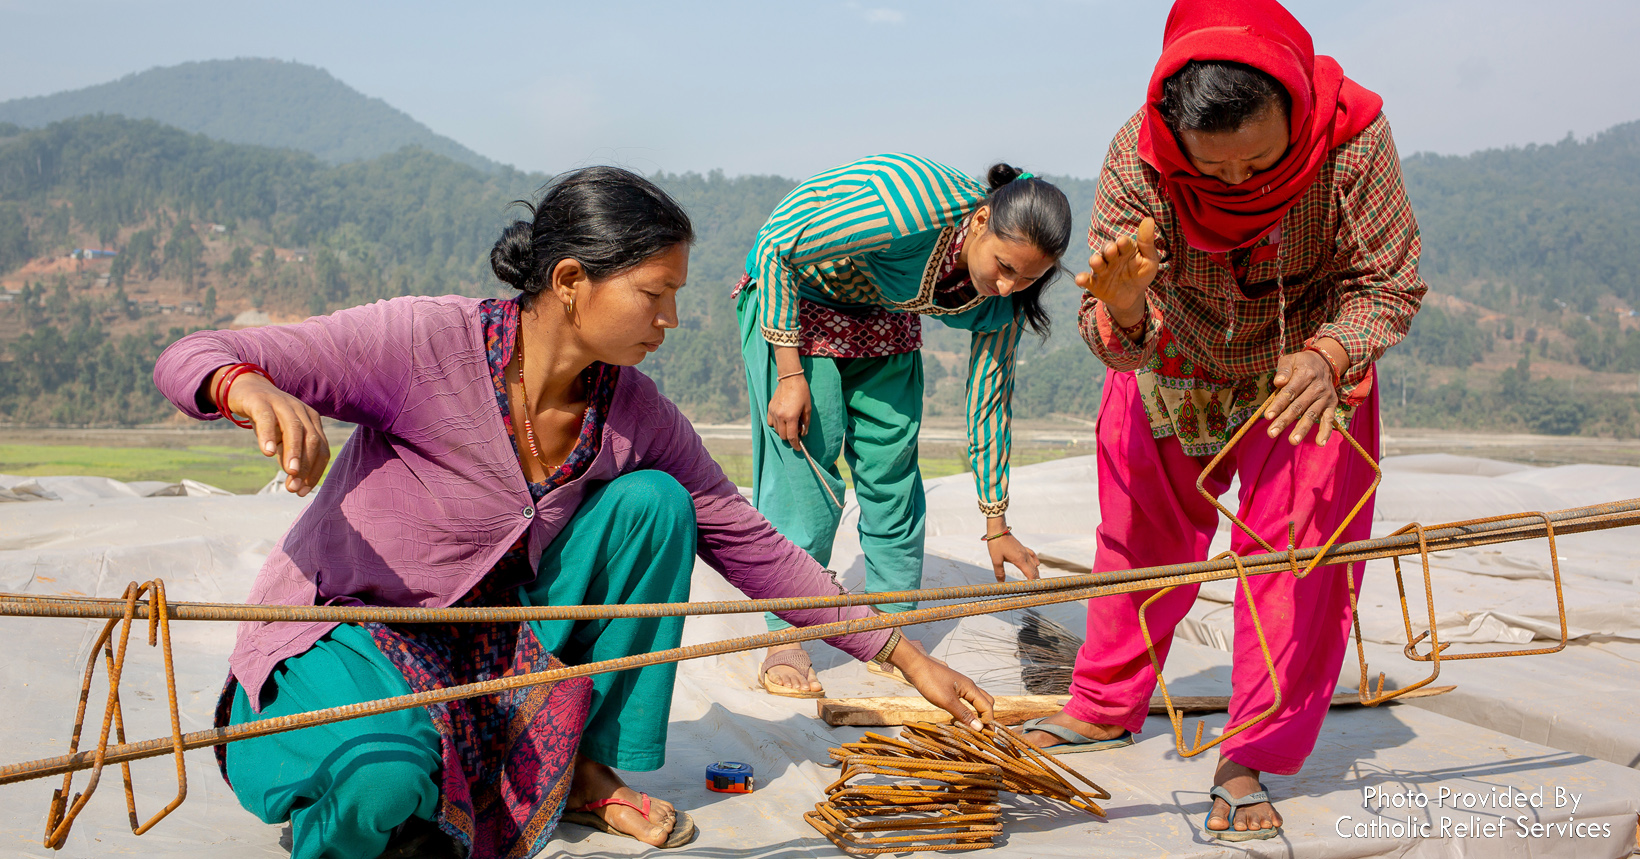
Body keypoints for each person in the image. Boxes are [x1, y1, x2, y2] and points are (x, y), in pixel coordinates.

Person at [153, 167, 995, 859]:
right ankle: (361, 782)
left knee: (657, 505)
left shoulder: (634, 412)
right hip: (349, 630)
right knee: (383, 784)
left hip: (485, 642)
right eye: (654, 293)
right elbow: (197, 353)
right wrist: (247, 386)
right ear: (569, 283)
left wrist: (902, 655)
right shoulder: (420, 344)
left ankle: (584, 768)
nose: (671, 319)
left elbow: (747, 541)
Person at [1020, 0, 1425, 842]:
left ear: (1297, 111)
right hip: (1174, 359)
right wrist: (1123, 309)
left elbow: (1386, 281)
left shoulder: (1355, 142)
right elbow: (1110, 330)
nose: (1241, 187)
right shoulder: (1140, 159)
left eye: (1262, 165)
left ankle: (1251, 753)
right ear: (1175, 137)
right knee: (1139, 537)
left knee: (1298, 553)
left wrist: (1333, 353)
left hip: (1304, 370)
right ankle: (1105, 704)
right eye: (1216, 173)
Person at [735, 155, 1072, 697]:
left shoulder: (1002, 301)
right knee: (806, 469)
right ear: (981, 223)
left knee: (892, 467)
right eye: (1004, 267)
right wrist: (790, 374)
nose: (1009, 286)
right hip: (796, 297)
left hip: (884, 313)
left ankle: (889, 628)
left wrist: (996, 524)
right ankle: (785, 636)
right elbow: (778, 248)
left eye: (1029, 278)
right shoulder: (908, 210)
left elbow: (988, 404)